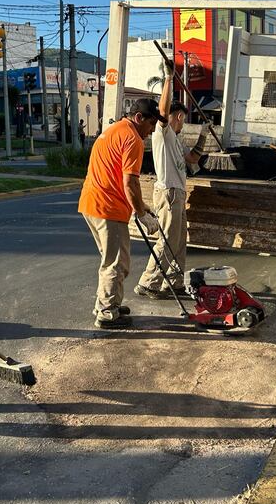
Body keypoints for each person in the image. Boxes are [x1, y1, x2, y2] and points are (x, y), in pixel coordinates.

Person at [78, 98, 163, 328]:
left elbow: (115, 174)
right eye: (151, 123)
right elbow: (130, 182)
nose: (152, 129)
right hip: (108, 207)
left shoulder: (114, 130)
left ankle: (108, 303)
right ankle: (106, 313)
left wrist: (141, 207)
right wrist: (141, 214)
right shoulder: (133, 139)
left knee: (110, 260)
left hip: (92, 203)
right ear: (139, 118)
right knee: (117, 263)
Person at [134, 74, 206, 299]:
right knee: (167, 240)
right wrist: (167, 79)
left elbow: (193, 159)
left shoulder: (176, 140)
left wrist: (203, 136)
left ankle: (173, 282)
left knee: (179, 240)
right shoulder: (162, 133)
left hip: (178, 194)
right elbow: (163, 112)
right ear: (179, 116)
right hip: (169, 193)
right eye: (183, 118)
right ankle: (149, 282)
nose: (183, 123)